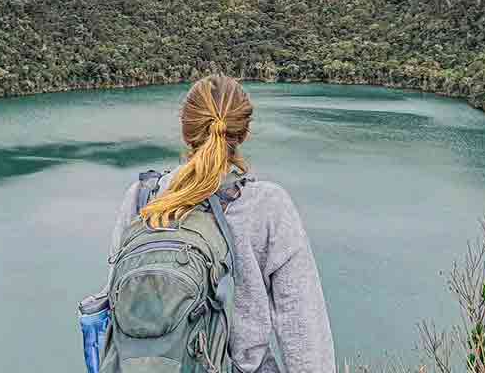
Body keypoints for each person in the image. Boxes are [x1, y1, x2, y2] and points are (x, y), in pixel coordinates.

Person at [105, 74, 336, 372]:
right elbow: (304, 332)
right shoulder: (267, 205)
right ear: (244, 133)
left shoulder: (142, 198)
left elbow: (116, 302)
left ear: (185, 130)